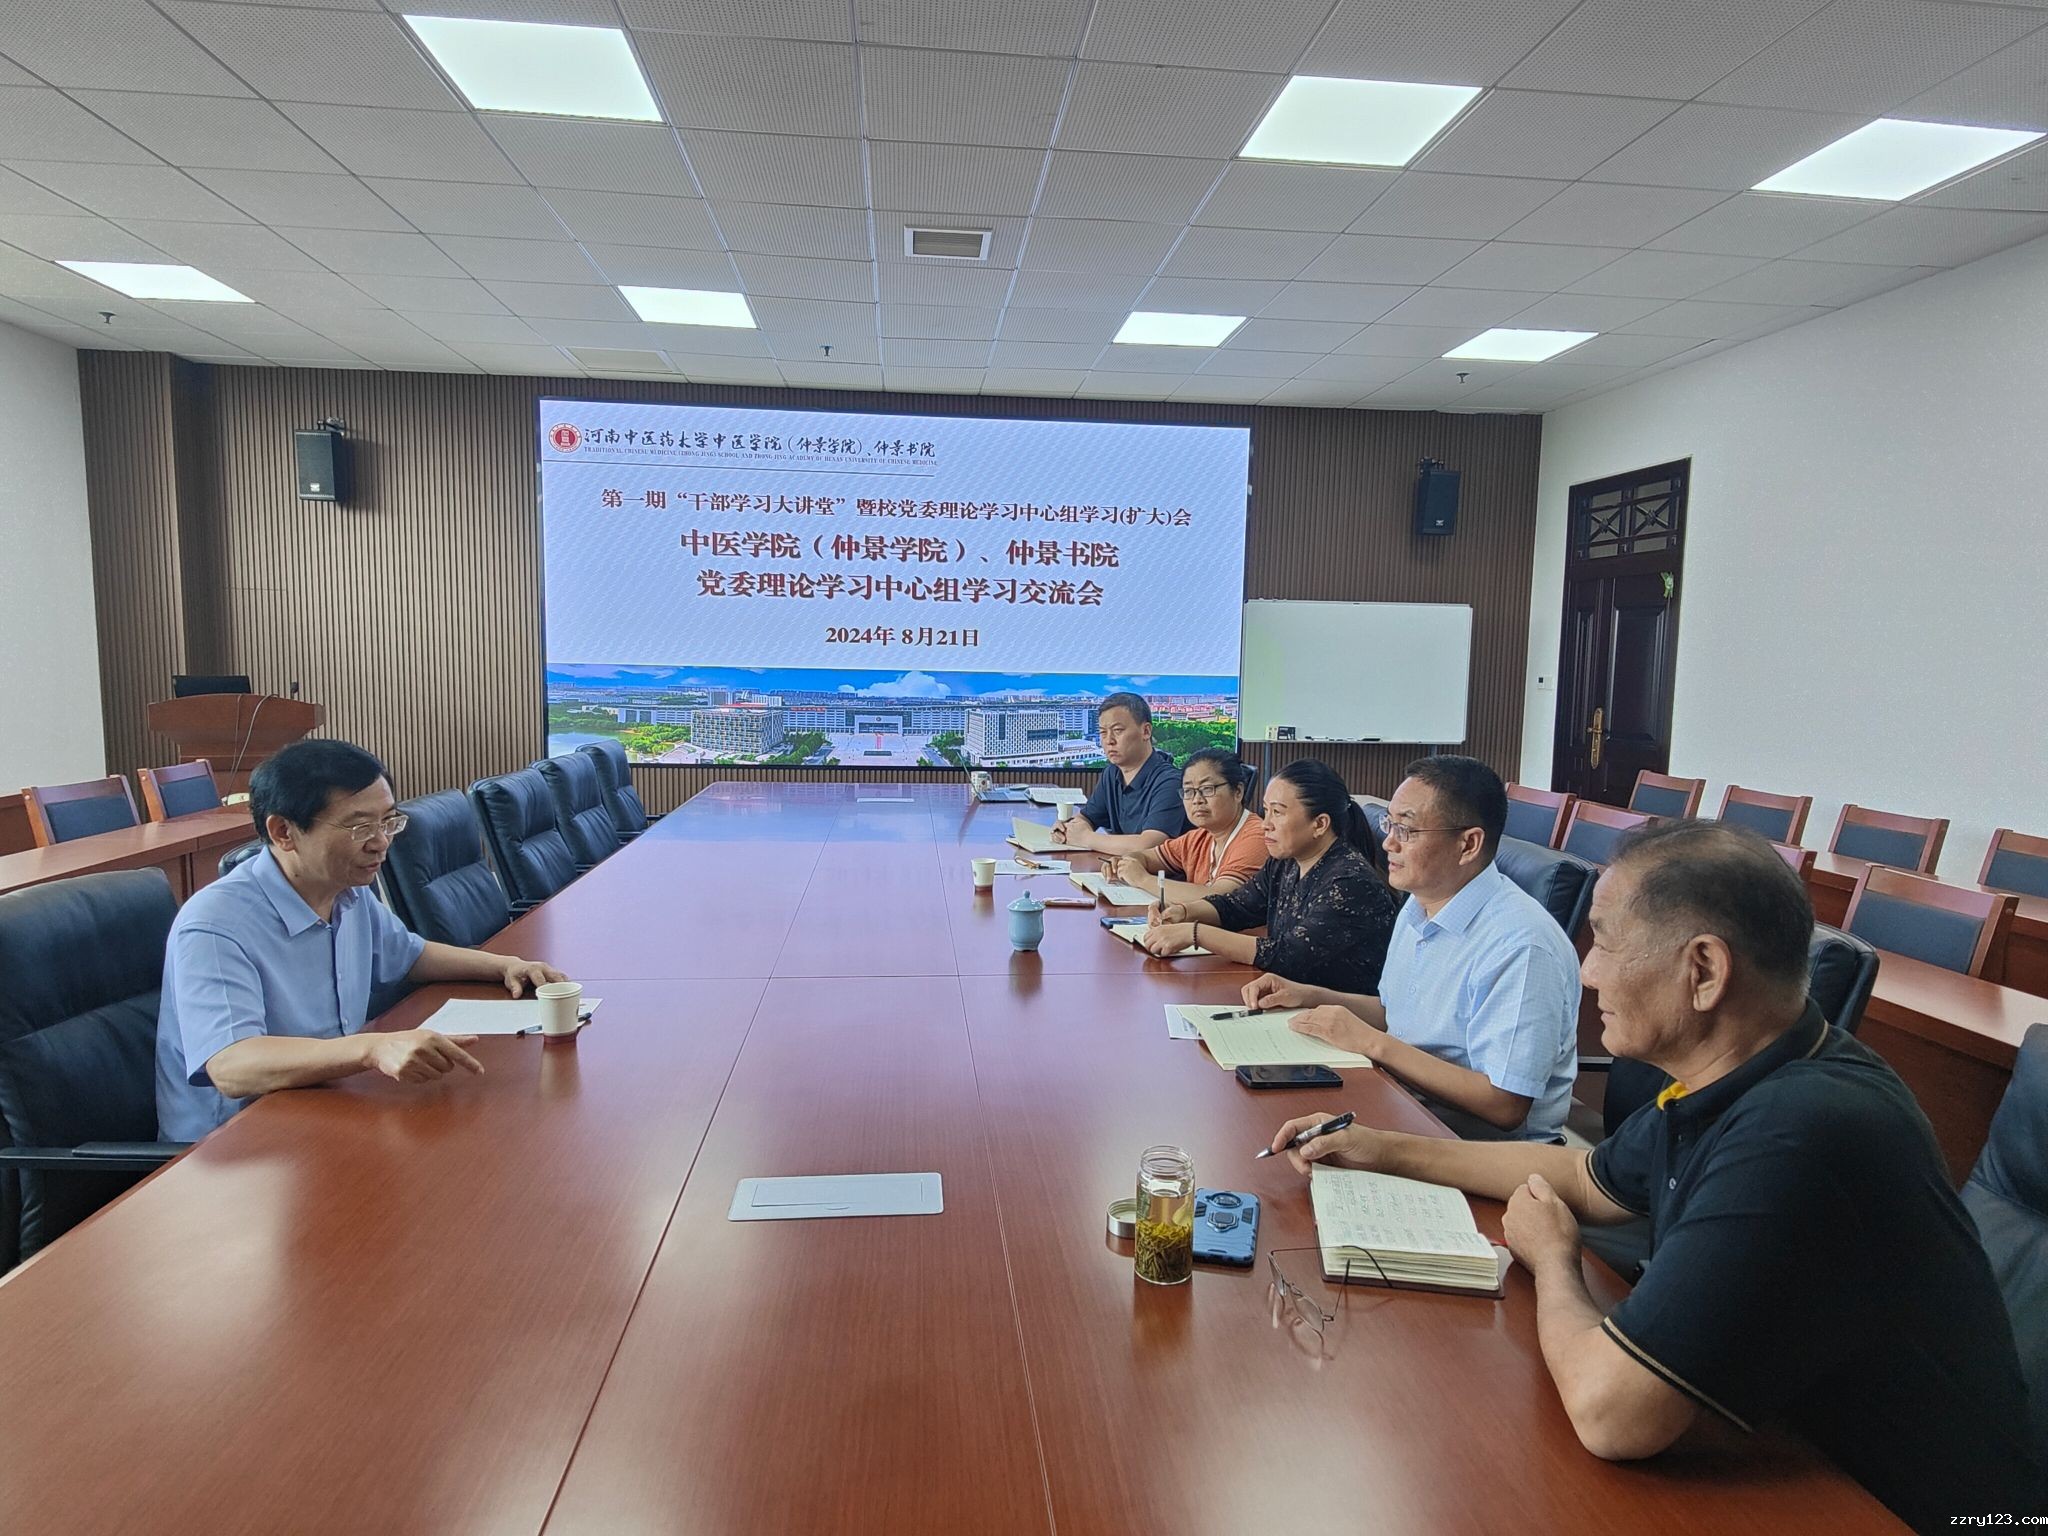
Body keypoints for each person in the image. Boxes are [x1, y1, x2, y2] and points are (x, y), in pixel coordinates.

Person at [1266, 820, 2043, 1533]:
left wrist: (1554, 1261)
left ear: (1703, 970)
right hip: (1771, 1449)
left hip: (1890, 1505)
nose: (1588, 971)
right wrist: (1380, 1147)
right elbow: (1586, 1175)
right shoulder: (1741, 1070)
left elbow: (1612, 1414)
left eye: (1605, 943)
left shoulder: (1802, 1131)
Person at [156, 739, 566, 1141]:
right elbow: (232, 1066)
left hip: (324, 1106)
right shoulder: (216, 924)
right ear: (284, 832)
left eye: (388, 821)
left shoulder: (346, 891)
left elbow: (410, 955)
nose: (381, 842)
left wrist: (506, 965)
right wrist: (371, 1049)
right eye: (359, 827)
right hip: (232, 1147)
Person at [1244, 755, 1580, 1142]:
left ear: (1468, 844)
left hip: (1475, 1148)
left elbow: (1504, 1105)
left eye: (1406, 829)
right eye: (1389, 824)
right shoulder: (1420, 904)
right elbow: (1398, 1015)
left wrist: (1372, 1043)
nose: (1388, 842)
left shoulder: (1521, 944)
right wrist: (1307, 995)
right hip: (1400, 1103)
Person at [1142, 759, 1398, 995]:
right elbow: (1237, 905)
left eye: (1278, 812)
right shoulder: (1286, 862)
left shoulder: (1350, 882)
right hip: (1293, 999)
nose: (1266, 824)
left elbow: (1287, 954)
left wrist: (1195, 934)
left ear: (1320, 824)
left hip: (1340, 1015)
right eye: (1266, 810)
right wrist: (1183, 912)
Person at [1102, 747, 1266, 904]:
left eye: (1207, 789)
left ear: (1238, 792)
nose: (1197, 800)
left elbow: (1219, 900)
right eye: (1188, 791)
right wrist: (1126, 862)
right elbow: (1147, 857)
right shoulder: (1200, 836)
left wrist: (1142, 879)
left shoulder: (1257, 837)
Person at [1052, 692, 1186, 853]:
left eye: (1117, 730)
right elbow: (1087, 817)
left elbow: (1148, 846)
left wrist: (1086, 838)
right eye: (1103, 732)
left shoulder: (1171, 782)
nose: (1109, 740)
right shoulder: (1112, 773)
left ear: (1146, 731)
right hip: (1122, 866)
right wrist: (1067, 828)